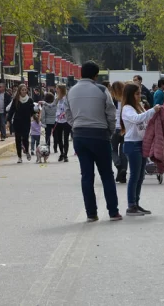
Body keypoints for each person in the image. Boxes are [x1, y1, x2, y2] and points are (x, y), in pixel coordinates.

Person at [66, 61, 121, 222]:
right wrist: (110, 131)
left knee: (86, 176)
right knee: (107, 175)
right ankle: (113, 212)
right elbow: (111, 113)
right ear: (96, 76)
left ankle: (91, 213)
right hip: (100, 135)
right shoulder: (102, 89)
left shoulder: (72, 91)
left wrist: (76, 126)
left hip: (79, 136)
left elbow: (68, 114)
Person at [121, 83, 161, 216]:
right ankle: (131, 206)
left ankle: (136, 203)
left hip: (141, 143)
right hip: (132, 144)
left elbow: (145, 120)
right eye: (137, 94)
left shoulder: (138, 106)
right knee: (134, 175)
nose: (139, 96)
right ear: (130, 95)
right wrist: (152, 110)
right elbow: (136, 119)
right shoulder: (127, 108)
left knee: (140, 176)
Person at [7, 84, 36, 163]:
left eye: (25, 90)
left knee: (25, 138)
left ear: (27, 91)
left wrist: (36, 111)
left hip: (26, 122)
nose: (23, 91)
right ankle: (19, 157)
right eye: (22, 90)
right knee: (18, 139)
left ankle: (27, 151)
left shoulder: (30, 100)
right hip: (17, 122)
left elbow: (32, 111)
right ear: (19, 91)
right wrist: (8, 121)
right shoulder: (15, 100)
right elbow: (11, 111)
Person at [109, 81, 128, 183]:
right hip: (125, 128)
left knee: (113, 150)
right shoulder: (126, 100)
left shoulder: (111, 100)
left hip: (113, 128)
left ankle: (119, 165)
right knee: (124, 151)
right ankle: (123, 172)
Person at [53, 84, 72, 162]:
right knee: (59, 139)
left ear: (61, 90)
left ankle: (65, 155)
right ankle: (61, 153)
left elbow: (70, 108)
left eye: (57, 89)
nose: (56, 90)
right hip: (58, 121)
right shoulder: (56, 99)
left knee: (66, 138)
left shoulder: (67, 99)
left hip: (66, 121)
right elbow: (53, 106)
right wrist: (44, 103)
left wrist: (65, 113)